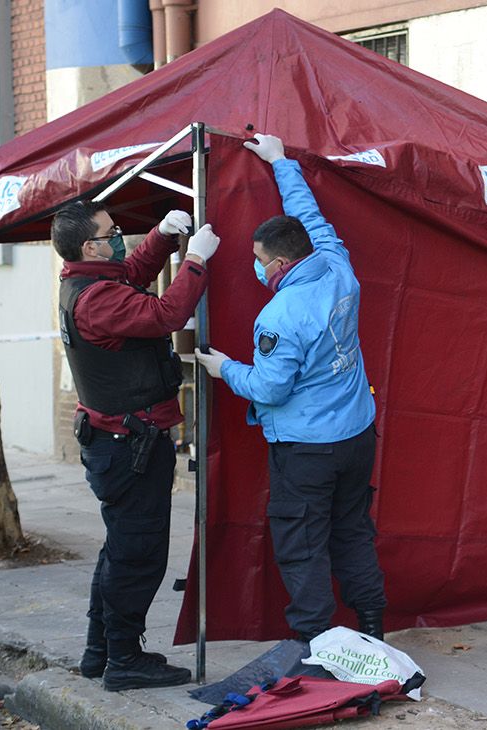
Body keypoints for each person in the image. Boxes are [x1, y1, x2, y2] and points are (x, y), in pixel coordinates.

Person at [194, 133, 387, 644]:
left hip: (308, 449)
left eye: (258, 259)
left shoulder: (278, 314)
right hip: (357, 434)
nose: (256, 267)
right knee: (352, 534)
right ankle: (372, 627)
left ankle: (315, 645)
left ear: (278, 265)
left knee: (302, 544)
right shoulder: (337, 263)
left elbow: (271, 388)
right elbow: (310, 214)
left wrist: (225, 369)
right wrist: (281, 163)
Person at [53, 201, 220, 691]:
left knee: (120, 550)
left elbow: (129, 272)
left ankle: (99, 651)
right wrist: (195, 262)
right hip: (129, 447)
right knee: (138, 555)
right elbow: (166, 313)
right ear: (90, 245)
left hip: (119, 443)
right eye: (112, 231)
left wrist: (163, 239)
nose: (120, 237)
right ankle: (124, 659)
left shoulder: (86, 280)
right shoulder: (96, 299)